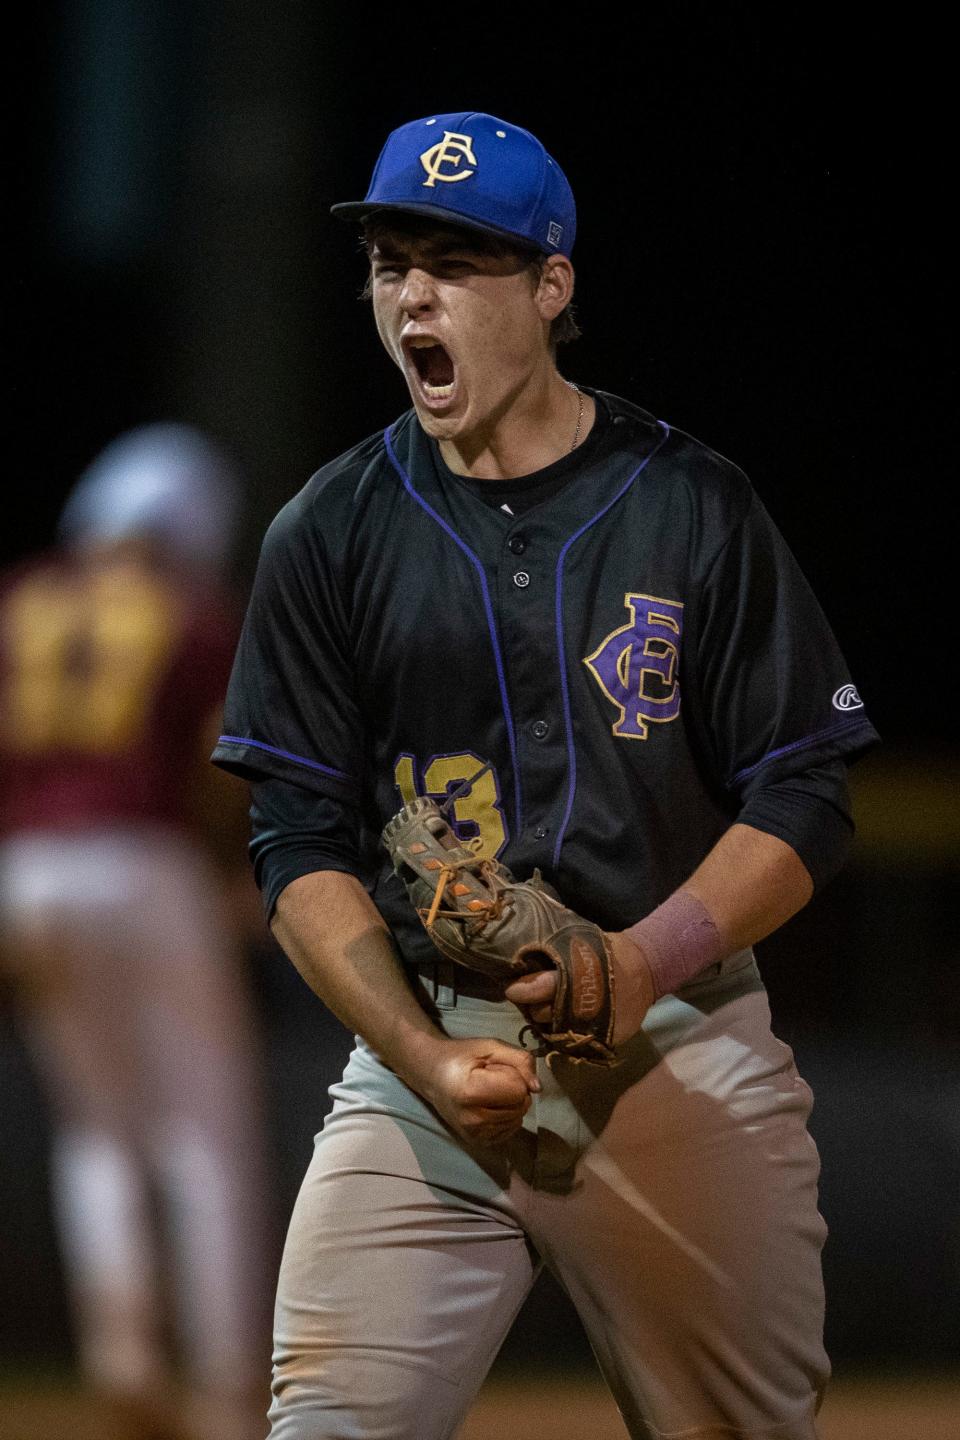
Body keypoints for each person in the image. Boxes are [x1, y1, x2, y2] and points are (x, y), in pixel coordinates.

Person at [212, 112, 880, 1440]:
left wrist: (648, 958)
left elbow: (807, 790)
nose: (413, 293)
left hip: (675, 1042)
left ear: (552, 287)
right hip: (427, 1052)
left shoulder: (690, 502)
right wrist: (414, 1050)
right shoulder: (332, 529)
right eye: (393, 260)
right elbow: (294, 838)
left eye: (459, 261)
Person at [0, 424, 274, 1440]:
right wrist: (241, 875)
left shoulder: (20, 596)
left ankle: (122, 1349)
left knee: (95, 1133)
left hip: (23, 869)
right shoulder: (194, 614)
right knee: (205, 1135)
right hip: (144, 864)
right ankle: (224, 1383)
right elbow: (222, 763)